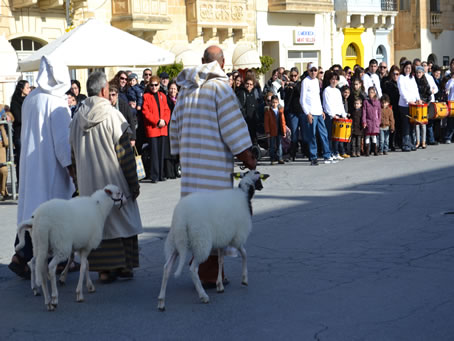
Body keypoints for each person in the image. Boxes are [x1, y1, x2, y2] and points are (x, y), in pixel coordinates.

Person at [169, 45, 256, 287]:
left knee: (196, 219)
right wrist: (248, 159)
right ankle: (211, 274)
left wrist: (180, 153)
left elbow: (173, 128)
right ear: (223, 63)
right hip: (214, 168)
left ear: (201, 61)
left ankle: (201, 270)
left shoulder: (186, 91)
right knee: (215, 222)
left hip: (191, 169)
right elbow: (233, 129)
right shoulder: (220, 88)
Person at [69, 71, 142, 283]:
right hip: (114, 181)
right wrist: (133, 183)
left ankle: (103, 269)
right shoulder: (112, 115)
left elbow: (72, 155)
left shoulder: (76, 118)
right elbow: (125, 154)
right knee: (123, 218)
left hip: (89, 183)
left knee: (96, 225)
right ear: (103, 90)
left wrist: (77, 182)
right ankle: (124, 266)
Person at [8, 56, 75, 279]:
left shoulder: (31, 98)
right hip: (50, 168)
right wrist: (71, 168)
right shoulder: (56, 102)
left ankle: (20, 255)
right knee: (53, 213)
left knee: (30, 211)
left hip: (30, 164)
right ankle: (56, 260)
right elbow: (62, 143)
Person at [300, 62, 335, 165]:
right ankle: (313, 156)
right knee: (312, 135)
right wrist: (307, 113)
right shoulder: (305, 81)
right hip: (311, 112)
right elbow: (302, 100)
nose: (314, 72)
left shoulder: (316, 81)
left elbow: (317, 98)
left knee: (324, 134)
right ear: (308, 71)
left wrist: (321, 110)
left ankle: (327, 155)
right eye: (312, 70)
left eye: (315, 70)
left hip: (318, 112)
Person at [142, 75, 171, 183]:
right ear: (149, 86)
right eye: (152, 85)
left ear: (159, 85)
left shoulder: (162, 95)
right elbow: (146, 112)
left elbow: (167, 110)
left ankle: (161, 175)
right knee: (154, 153)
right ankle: (154, 175)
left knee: (161, 152)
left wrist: (164, 121)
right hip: (153, 128)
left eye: (156, 85)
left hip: (162, 128)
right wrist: (157, 121)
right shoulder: (146, 96)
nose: (154, 87)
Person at [323, 72, 349, 160]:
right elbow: (327, 104)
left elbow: (340, 104)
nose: (334, 81)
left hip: (338, 115)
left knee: (337, 136)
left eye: (336, 79)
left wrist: (344, 115)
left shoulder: (338, 91)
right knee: (330, 136)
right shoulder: (327, 90)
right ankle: (330, 152)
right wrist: (332, 115)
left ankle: (336, 152)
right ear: (330, 80)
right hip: (330, 116)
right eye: (333, 79)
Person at [10, 79, 30, 183]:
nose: (29, 89)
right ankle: (21, 181)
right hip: (19, 134)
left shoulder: (28, 99)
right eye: (27, 87)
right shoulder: (15, 101)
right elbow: (18, 118)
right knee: (21, 158)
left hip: (28, 133)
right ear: (21, 89)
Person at [398, 60, 421, 151]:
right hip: (404, 105)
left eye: (409, 68)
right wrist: (408, 101)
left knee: (412, 125)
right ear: (403, 68)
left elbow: (416, 89)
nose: (408, 70)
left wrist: (418, 99)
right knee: (406, 125)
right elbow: (402, 91)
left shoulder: (412, 78)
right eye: (406, 68)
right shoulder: (401, 77)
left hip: (413, 105)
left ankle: (411, 143)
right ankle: (405, 144)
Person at [284, 67, 304, 160]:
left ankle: (305, 151)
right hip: (292, 112)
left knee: (304, 133)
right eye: (291, 76)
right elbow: (283, 97)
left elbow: (300, 91)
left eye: (295, 75)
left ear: (298, 75)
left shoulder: (301, 84)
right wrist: (286, 88)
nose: (293, 77)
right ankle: (292, 153)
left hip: (301, 110)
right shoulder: (288, 85)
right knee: (294, 133)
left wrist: (294, 86)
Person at [164, 81, 180, 179]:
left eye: (174, 89)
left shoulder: (180, 99)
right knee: (169, 149)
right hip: (169, 126)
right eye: (171, 88)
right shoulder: (165, 99)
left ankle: (177, 170)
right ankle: (169, 172)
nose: (172, 90)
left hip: (178, 126)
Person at [382, 65, 401, 150]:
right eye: (394, 74)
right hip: (391, 106)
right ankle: (391, 143)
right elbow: (386, 95)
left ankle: (397, 142)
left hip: (399, 106)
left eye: (397, 74)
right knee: (390, 124)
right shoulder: (388, 83)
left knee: (398, 125)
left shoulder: (400, 82)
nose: (395, 76)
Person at [236, 77, 259, 144]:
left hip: (253, 120)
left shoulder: (254, 93)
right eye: (247, 84)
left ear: (253, 85)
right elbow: (240, 107)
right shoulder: (242, 93)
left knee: (254, 138)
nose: (249, 85)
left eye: (250, 84)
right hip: (245, 121)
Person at [264, 95, 286, 165]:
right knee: (272, 145)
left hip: (279, 130)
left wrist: (284, 131)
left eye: (276, 102)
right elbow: (266, 122)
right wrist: (267, 131)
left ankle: (280, 158)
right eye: (273, 102)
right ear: (271, 102)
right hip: (272, 131)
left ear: (278, 102)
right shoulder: (268, 111)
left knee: (279, 145)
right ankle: (272, 158)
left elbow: (283, 121)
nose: (274, 104)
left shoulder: (280, 110)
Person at [414, 66, 431, 148]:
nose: (418, 74)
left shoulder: (425, 82)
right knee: (417, 123)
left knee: (423, 124)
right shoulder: (413, 81)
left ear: (423, 73)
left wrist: (426, 103)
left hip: (423, 105)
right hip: (416, 105)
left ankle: (423, 141)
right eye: (417, 72)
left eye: (420, 72)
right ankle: (417, 141)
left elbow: (429, 95)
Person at [362, 87, 381, 156]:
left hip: (375, 122)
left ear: (375, 93)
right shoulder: (366, 102)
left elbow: (379, 113)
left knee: (374, 137)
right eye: (369, 92)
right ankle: (367, 150)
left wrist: (379, 121)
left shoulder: (378, 102)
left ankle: (375, 150)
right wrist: (364, 121)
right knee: (367, 136)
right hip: (368, 121)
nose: (371, 94)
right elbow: (364, 112)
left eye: (372, 92)